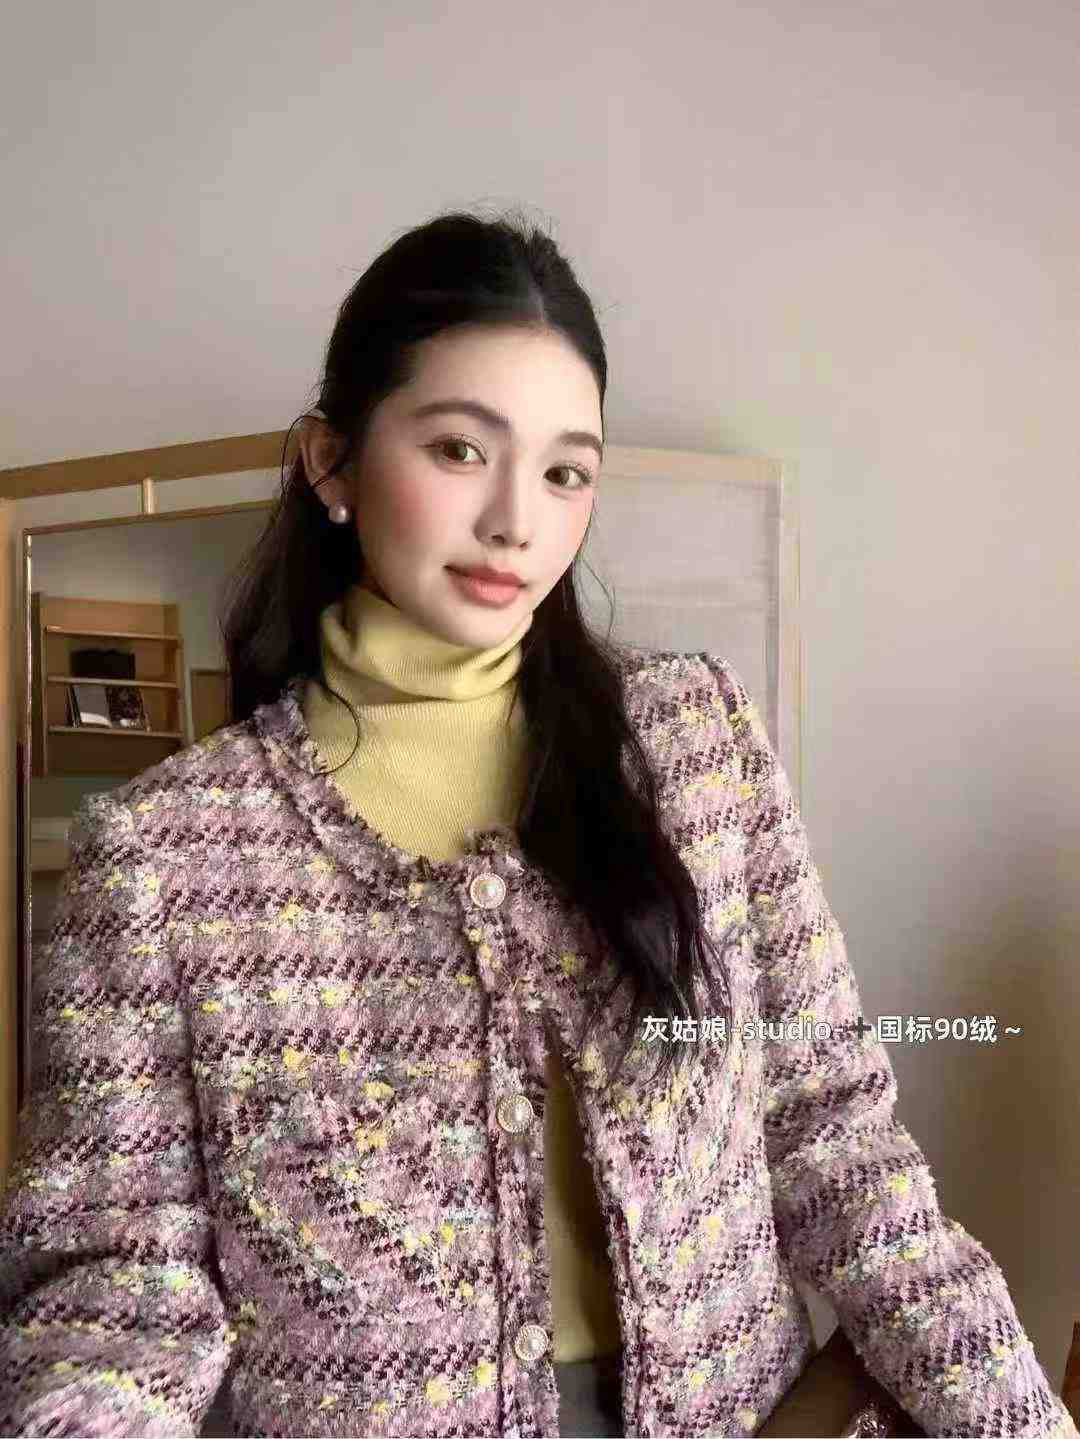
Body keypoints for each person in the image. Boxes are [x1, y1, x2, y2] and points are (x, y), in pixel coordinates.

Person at [1, 207, 1075, 1439]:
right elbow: (114, 1289)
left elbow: (834, 1133)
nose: (518, 519)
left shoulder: (692, 745)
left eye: (566, 470)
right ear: (332, 463)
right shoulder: (162, 856)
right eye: (461, 449)